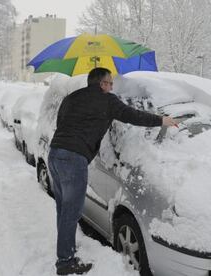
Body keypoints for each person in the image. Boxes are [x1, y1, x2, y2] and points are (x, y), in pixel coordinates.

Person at [48, 67, 178, 275]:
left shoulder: (71, 98)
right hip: (74, 159)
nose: (111, 86)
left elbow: (61, 123)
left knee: (63, 209)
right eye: (109, 82)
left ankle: (66, 249)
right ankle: (65, 262)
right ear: (101, 84)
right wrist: (161, 120)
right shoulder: (107, 101)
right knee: (71, 212)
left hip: (55, 154)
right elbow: (132, 115)